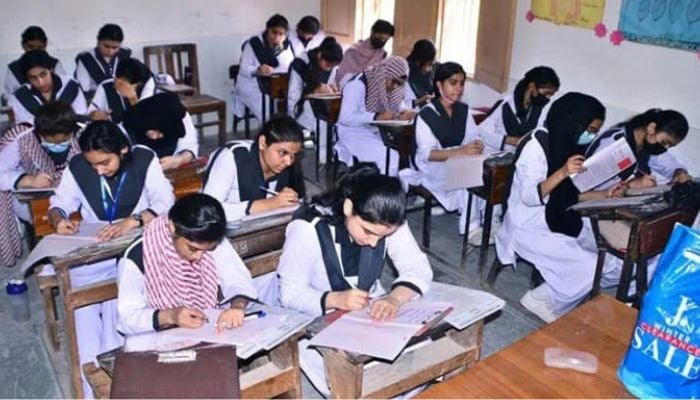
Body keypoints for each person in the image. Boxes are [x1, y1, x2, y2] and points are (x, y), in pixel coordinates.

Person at [277, 163, 432, 394]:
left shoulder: (386, 221)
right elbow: (289, 294)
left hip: (368, 304)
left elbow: (417, 268)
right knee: (351, 382)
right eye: (367, 232)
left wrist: (394, 299)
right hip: (316, 311)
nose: (373, 243)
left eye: (383, 237)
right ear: (349, 207)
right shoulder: (308, 229)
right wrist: (336, 299)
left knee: (419, 363)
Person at [47, 120, 174, 397]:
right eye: (93, 165)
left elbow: (165, 202)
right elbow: (58, 203)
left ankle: (123, 386)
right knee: (85, 323)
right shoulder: (78, 166)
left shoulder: (144, 158)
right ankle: (91, 388)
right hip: (95, 251)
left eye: (105, 163)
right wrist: (59, 219)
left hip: (134, 247)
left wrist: (135, 221)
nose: (99, 171)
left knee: (121, 321)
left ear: (124, 150)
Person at [495, 92, 624, 323]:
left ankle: (556, 295)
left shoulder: (566, 144)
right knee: (590, 266)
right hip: (526, 225)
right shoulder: (537, 144)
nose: (590, 136)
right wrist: (563, 172)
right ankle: (541, 298)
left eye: (594, 131)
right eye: (590, 129)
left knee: (603, 260)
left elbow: (571, 194)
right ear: (574, 122)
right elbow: (529, 196)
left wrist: (606, 193)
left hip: (552, 218)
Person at [117, 193, 258, 335]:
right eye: (193, 249)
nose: (198, 257)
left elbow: (237, 279)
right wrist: (170, 316)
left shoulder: (208, 238)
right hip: (158, 338)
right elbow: (127, 319)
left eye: (207, 251)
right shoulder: (138, 256)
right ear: (172, 228)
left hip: (207, 330)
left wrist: (237, 307)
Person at [400, 62, 484, 236]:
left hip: (454, 161)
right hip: (431, 167)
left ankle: (486, 218)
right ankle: (471, 228)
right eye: (453, 83)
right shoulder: (426, 115)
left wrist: (477, 144)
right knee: (468, 173)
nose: (459, 88)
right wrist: (461, 152)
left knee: (482, 170)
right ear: (439, 85)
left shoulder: (463, 110)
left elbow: (473, 136)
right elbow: (429, 154)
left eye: (462, 83)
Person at [0, 102, 80, 267]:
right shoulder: (23, 139)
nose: (58, 145)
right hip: (35, 197)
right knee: (39, 215)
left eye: (64, 140)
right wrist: (26, 180)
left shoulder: (84, 133)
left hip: (77, 194)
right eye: (51, 141)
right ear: (40, 134)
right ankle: (46, 262)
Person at [202, 115, 304, 223]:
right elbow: (208, 211)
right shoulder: (232, 157)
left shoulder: (288, 164)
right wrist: (269, 204)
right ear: (263, 143)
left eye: (294, 155)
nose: (288, 162)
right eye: (282, 153)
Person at [335, 55, 413, 176]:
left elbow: (399, 105)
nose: (395, 87)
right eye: (394, 82)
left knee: (407, 151)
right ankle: (383, 193)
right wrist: (375, 117)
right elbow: (345, 118)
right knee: (390, 157)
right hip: (352, 133)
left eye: (399, 84)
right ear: (386, 73)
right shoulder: (357, 85)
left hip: (376, 131)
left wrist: (406, 112)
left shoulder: (390, 85)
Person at [586, 109, 691, 190]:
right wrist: (630, 185)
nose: (664, 148)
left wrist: (679, 173)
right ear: (651, 128)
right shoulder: (615, 143)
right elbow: (590, 187)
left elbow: (670, 165)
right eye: (664, 142)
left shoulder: (648, 144)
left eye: (670, 146)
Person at [287, 36, 343, 160]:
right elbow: (293, 95)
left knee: (338, 119)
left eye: (333, 67)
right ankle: (324, 157)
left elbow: (330, 85)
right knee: (323, 122)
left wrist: (333, 88)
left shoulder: (332, 66)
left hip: (323, 104)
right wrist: (313, 90)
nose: (329, 69)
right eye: (328, 65)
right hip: (300, 106)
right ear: (319, 55)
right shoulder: (301, 63)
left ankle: (332, 153)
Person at [479, 66, 560, 151]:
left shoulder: (539, 110)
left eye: (550, 95)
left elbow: (539, 135)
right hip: (493, 153)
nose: (548, 98)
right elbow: (483, 132)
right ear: (532, 86)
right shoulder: (505, 104)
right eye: (546, 93)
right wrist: (512, 140)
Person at [233, 14, 295, 122]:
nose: (276, 37)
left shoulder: (285, 45)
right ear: (267, 29)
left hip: (277, 84)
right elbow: (244, 68)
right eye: (274, 32)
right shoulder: (254, 43)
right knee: (267, 109)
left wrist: (281, 50)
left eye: (281, 34)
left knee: (291, 102)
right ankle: (269, 135)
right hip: (252, 84)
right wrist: (257, 69)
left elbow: (289, 67)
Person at [121, 92, 198, 170]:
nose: (154, 137)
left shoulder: (178, 115)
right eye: (152, 131)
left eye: (161, 134)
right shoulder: (125, 127)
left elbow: (189, 145)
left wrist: (180, 160)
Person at [10, 50, 87, 125]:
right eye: (33, 78)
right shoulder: (20, 96)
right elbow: (24, 129)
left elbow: (81, 119)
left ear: (51, 70)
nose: (41, 82)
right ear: (27, 78)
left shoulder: (71, 86)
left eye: (43, 75)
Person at [3, 26, 66, 99]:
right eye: (31, 47)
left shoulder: (55, 65)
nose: (35, 51)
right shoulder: (14, 69)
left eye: (39, 47)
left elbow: (65, 89)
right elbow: (9, 98)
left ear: (45, 45)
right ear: (23, 45)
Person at [88, 58, 157, 123]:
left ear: (137, 85)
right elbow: (90, 113)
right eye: (116, 79)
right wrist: (94, 115)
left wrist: (132, 98)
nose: (115, 85)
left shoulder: (152, 90)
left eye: (121, 83)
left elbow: (145, 123)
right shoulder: (106, 86)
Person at [74, 23, 131, 95]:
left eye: (115, 47)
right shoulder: (86, 59)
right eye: (106, 46)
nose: (110, 51)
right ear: (98, 42)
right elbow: (83, 89)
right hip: (95, 99)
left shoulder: (125, 54)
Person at [335, 19, 394, 88]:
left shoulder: (382, 55)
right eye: (380, 38)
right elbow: (342, 78)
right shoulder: (353, 51)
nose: (382, 41)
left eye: (385, 40)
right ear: (372, 32)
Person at [404, 39, 437, 109]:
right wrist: (420, 101)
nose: (429, 69)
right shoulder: (403, 73)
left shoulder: (429, 75)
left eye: (431, 65)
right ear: (417, 61)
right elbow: (398, 105)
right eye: (427, 64)